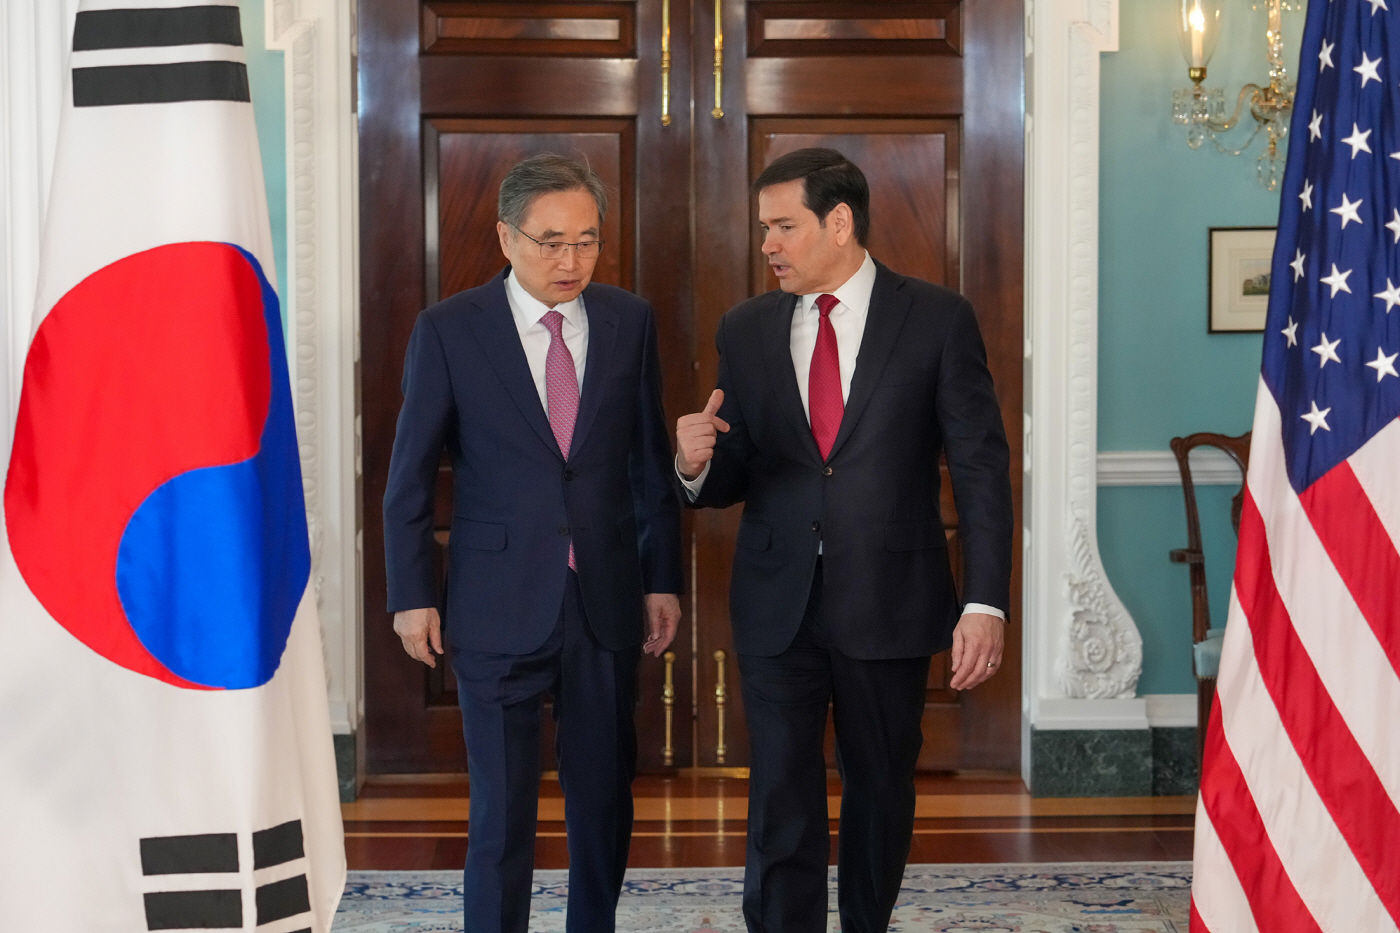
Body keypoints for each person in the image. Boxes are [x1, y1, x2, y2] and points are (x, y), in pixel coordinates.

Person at [675, 148, 1013, 933]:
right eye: (764, 228)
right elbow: (735, 471)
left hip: (892, 598)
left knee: (881, 787)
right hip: (777, 601)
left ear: (839, 222)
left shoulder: (937, 319)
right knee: (779, 792)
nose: (768, 244)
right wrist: (694, 465)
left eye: (783, 226)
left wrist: (985, 601)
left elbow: (981, 470)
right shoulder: (746, 329)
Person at [384, 153, 683, 933]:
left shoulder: (627, 320)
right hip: (495, 602)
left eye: (586, 240)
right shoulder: (449, 330)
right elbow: (410, 476)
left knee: (602, 802)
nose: (570, 260)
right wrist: (411, 594)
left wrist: (662, 578)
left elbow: (649, 463)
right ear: (506, 237)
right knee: (502, 811)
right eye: (551, 241)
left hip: (604, 598)